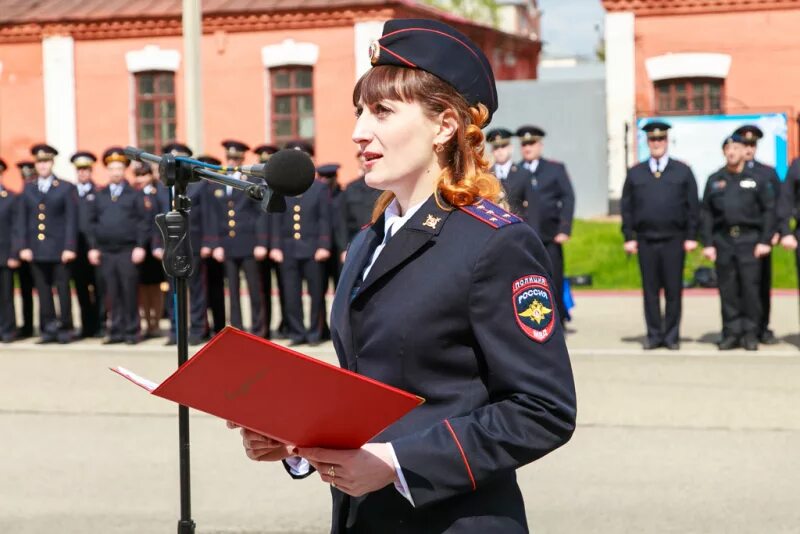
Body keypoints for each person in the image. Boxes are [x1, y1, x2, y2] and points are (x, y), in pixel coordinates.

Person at [232, 18, 576, 533]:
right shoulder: (369, 239)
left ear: (444, 126)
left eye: (382, 112)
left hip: (454, 520)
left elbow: (542, 409)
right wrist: (295, 440)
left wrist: (397, 463)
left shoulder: (494, 242)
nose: (358, 133)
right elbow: (370, 383)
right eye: (359, 112)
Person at [620, 121, 699, 350]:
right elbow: (628, 207)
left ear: (667, 141)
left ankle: (672, 335)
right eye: (653, 140)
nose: (657, 143)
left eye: (661, 139)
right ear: (647, 142)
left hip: (674, 239)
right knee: (650, 291)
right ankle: (654, 335)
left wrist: (692, 235)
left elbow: (693, 206)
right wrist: (629, 236)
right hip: (646, 239)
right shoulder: (636, 172)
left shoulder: (682, 171)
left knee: (674, 290)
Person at [701, 135, 775, 351]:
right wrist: (707, 242)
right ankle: (731, 331)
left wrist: (765, 240)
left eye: (736, 147)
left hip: (750, 241)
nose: (732, 152)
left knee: (751, 289)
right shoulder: (715, 180)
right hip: (724, 240)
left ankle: (751, 333)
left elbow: (768, 211)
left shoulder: (757, 179)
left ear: (745, 151)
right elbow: (706, 213)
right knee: (728, 289)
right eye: (728, 148)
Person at [269, 140, 332, 346]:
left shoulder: (320, 188)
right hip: (288, 249)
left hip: (313, 248)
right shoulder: (281, 186)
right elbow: (276, 216)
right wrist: (276, 246)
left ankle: (315, 332)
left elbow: (325, 218)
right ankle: (297, 333)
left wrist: (324, 245)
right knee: (290, 293)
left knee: (316, 294)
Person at [86, 147, 150, 345]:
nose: (115, 172)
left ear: (125, 170)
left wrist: (140, 246)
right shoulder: (100, 194)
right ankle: (115, 331)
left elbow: (143, 222)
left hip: (127, 250)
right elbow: (92, 222)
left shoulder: (134, 194)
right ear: (107, 170)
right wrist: (93, 247)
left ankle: (132, 331)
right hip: (106, 251)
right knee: (110, 293)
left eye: (119, 168)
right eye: (112, 168)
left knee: (129, 291)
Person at [17, 144, 79, 344]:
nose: (43, 166)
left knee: (62, 290)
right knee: (42, 291)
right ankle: (48, 328)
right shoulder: (28, 189)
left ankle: (65, 328)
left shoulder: (65, 187)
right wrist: (24, 246)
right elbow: (23, 220)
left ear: (52, 163)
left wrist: (70, 247)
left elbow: (71, 219)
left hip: (60, 249)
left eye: (46, 162)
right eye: (39, 162)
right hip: (36, 249)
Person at [514, 124, 575, 324]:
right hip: (524, 237)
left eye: (531, 143)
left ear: (540, 145)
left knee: (553, 279)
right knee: (527, 280)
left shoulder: (554, 169)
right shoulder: (517, 171)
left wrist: (564, 228)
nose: (527, 148)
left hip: (550, 236)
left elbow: (568, 198)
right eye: (524, 144)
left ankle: (558, 321)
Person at [208, 142, 267, 337]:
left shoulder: (251, 181)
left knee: (254, 288)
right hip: (228, 244)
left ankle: (259, 328)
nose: (233, 161)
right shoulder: (220, 180)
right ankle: (237, 328)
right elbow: (214, 216)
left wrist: (260, 242)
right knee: (232, 290)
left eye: (236, 159)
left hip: (248, 241)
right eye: (230, 158)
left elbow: (260, 214)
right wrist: (215, 244)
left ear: (242, 159)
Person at [733, 125, 781, 345]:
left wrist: (776, 232)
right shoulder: (732, 172)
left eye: (752, 145)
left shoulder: (767, 172)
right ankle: (743, 328)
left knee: (762, 285)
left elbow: (778, 205)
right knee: (741, 286)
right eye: (745, 144)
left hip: (763, 238)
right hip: (742, 239)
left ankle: (762, 327)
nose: (749, 149)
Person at [70, 151, 105, 338]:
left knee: (99, 289)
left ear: (91, 171)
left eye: (86, 170)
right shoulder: (71, 193)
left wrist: (96, 247)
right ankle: (86, 326)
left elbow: (99, 222)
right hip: (77, 249)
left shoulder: (99, 192)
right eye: (79, 170)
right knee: (81, 289)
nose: (83, 173)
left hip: (95, 249)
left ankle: (100, 325)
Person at [132, 163, 167, 338]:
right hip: (138, 247)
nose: (141, 178)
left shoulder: (158, 192)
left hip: (154, 246)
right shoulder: (134, 194)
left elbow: (158, 221)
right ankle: (146, 322)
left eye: (144, 175)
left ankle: (156, 322)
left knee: (156, 286)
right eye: (138, 175)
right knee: (142, 286)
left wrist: (156, 244)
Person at [253, 144, 280, 339]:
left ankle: (286, 324)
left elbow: (279, 218)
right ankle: (262, 328)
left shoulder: (282, 184)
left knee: (285, 289)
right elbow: (255, 217)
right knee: (260, 290)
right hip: (257, 246)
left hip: (282, 245)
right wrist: (261, 242)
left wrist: (275, 244)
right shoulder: (253, 184)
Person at [334, 154, 382, 263]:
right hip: (355, 243)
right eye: (362, 161)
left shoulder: (386, 187)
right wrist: (343, 249)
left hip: (381, 241)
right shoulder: (351, 188)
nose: (365, 163)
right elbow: (342, 221)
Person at [485, 127, 530, 215]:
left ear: (510, 148)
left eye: (503, 146)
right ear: (492, 150)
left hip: (519, 224)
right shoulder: (487, 175)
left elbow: (532, 208)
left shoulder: (523, 174)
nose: (500, 151)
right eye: (496, 147)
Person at [14, 161, 36, 338]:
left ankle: (47, 324)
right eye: (25, 178)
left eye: (30, 178)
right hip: (21, 251)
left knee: (44, 291)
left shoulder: (39, 197)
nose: (27, 181)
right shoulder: (16, 198)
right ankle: (27, 326)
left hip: (38, 250)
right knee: (25, 291)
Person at [0, 157, 20, 342]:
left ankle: (7, 330)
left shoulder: (10, 198)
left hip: (4, 255)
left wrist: (15, 253)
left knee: (6, 296)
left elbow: (17, 228)